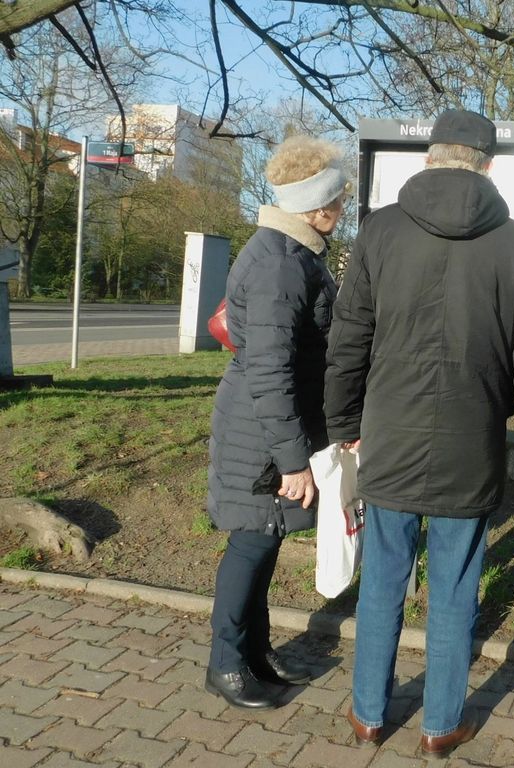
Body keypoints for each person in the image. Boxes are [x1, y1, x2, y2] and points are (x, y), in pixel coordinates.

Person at [324, 109, 514, 755]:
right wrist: (494, 404)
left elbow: (349, 340)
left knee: (383, 581)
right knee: (454, 588)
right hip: (469, 439)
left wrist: (346, 422)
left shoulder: (379, 231)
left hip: (389, 434)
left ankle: (369, 714)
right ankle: (439, 727)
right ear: (487, 165)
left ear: (429, 157)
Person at [205, 136, 349, 709]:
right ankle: (225, 665)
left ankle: (253, 653)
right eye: (339, 201)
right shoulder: (280, 266)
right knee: (250, 543)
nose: (343, 211)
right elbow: (269, 370)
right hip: (261, 433)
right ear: (317, 207)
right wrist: (292, 460)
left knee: (264, 541)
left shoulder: (290, 252)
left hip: (267, 426)